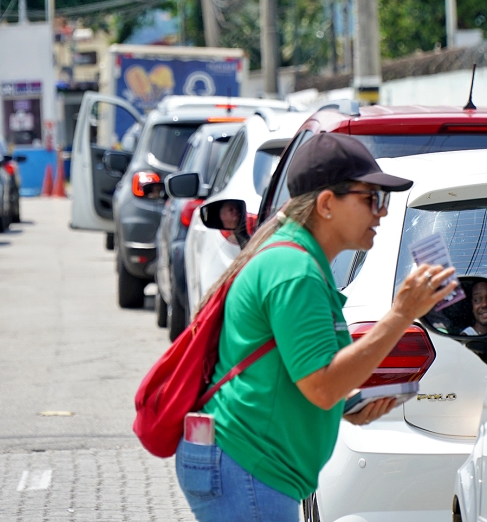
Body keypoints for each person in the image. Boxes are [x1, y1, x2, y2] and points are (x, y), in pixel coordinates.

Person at [177, 133, 457, 522]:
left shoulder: (300, 260)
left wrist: (346, 404)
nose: (383, 212)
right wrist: (400, 314)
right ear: (327, 204)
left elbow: (297, 372)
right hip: (247, 467)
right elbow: (322, 385)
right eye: (371, 198)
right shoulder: (295, 272)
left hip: (245, 464)